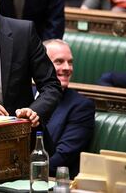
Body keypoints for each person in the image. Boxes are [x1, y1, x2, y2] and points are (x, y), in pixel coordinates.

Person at [43, 39, 95, 179]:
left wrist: (23, 171)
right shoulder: (23, 93)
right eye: (59, 61)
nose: (67, 68)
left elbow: (62, 157)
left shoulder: (81, 106)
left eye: (70, 62)